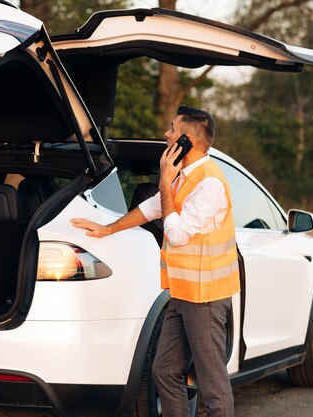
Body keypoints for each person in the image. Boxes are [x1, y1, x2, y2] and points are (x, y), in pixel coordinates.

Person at [70, 105, 240, 417]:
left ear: (186, 140)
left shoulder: (209, 183)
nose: (166, 133)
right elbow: (152, 208)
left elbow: (177, 234)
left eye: (172, 129)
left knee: (212, 383)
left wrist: (164, 182)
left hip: (205, 298)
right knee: (164, 371)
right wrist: (107, 229)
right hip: (182, 294)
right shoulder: (183, 178)